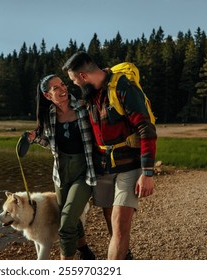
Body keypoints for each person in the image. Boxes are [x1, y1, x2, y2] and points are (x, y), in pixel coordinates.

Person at [62, 52, 157, 260]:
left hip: (129, 165)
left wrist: (147, 172)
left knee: (119, 224)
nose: (75, 85)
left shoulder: (124, 88)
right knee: (108, 215)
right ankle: (125, 257)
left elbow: (146, 129)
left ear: (83, 76)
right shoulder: (90, 94)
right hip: (102, 166)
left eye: (74, 81)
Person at [26, 74, 96, 260]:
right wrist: (35, 139)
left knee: (65, 224)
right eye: (56, 88)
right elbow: (51, 144)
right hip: (61, 175)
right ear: (48, 95)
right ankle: (85, 251)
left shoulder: (83, 106)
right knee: (70, 215)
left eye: (62, 84)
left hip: (84, 172)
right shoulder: (48, 114)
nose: (63, 89)